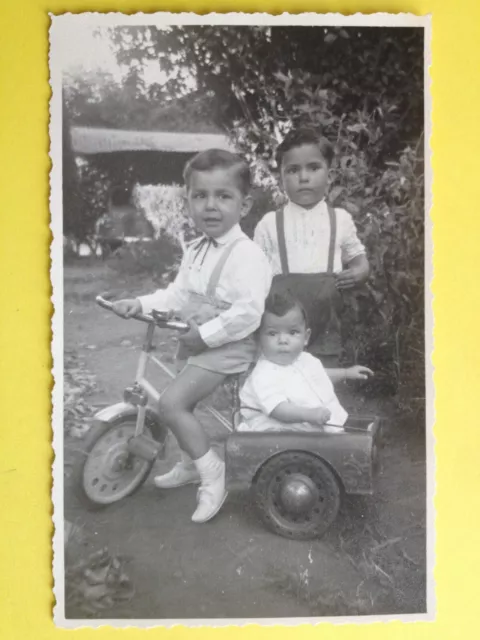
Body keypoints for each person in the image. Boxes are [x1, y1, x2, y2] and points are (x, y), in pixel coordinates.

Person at [111, 149, 272, 523]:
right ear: (188, 202)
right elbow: (177, 295)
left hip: (230, 345)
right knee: (184, 402)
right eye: (200, 196)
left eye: (223, 196)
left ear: (244, 205)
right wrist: (140, 302)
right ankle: (188, 463)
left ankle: (212, 471)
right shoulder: (197, 250)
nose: (211, 206)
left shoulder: (248, 255)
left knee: (171, 404)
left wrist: (207, 336)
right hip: (197, 339)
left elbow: (248, 312)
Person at [254, 126, 370, 367]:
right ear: (281, 177)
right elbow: (254, 278)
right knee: (280, 388)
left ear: (329, 174)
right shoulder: (269, 224)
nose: (303, 178)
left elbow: (360, 262)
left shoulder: (340, 219)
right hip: (281, 327)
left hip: (326, 324)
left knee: (323, 385)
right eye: (293, 170)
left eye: (313, 168)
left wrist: (358, 273)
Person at [238, 292, 373, 433]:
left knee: (360, 433)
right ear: (259, 340)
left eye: (292, 332)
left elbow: (318, 375)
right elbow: (278, 409)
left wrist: (346, 373)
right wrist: (308, 414)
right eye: (272, 333)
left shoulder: (305, 359)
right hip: (279, 432)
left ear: (306, 337)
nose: (283, 340)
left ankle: (350, 434)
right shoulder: (263, 375)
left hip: (313, 423)